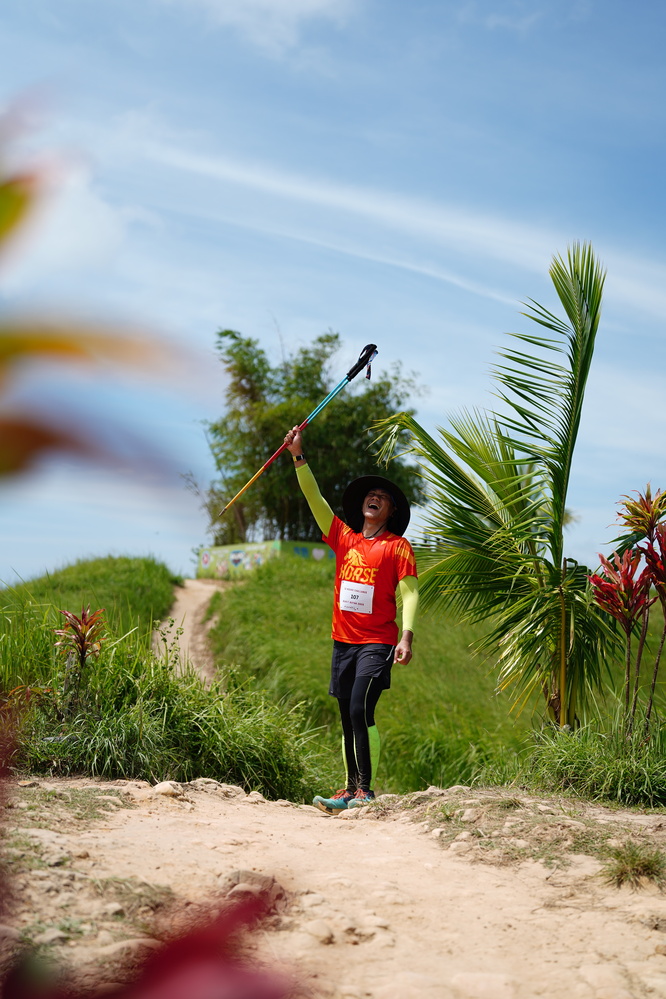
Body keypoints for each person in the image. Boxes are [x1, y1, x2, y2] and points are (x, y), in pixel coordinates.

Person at [283, 425, 419, 814]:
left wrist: (406, 636)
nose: (375, 498)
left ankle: (365, 792)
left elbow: (410, 593)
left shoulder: (397, 547)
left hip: (378, 642)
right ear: (362, 505)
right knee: (346, 716)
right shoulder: (344, 538)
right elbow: (315, 498)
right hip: (343, 641)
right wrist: (298, 455)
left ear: (392, 512)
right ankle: (348, 791)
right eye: (371, 495)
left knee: (360, 707)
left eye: (383, 498)